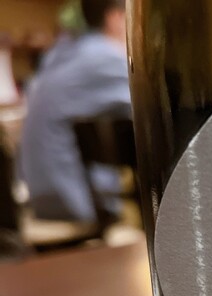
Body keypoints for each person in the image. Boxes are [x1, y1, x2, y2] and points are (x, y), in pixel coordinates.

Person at [20, 0, 130, 222]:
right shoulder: (105, 58)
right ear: (116, 18)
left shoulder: (59, 55)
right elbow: (161, 110)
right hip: (77, 202)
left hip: (41, 200)